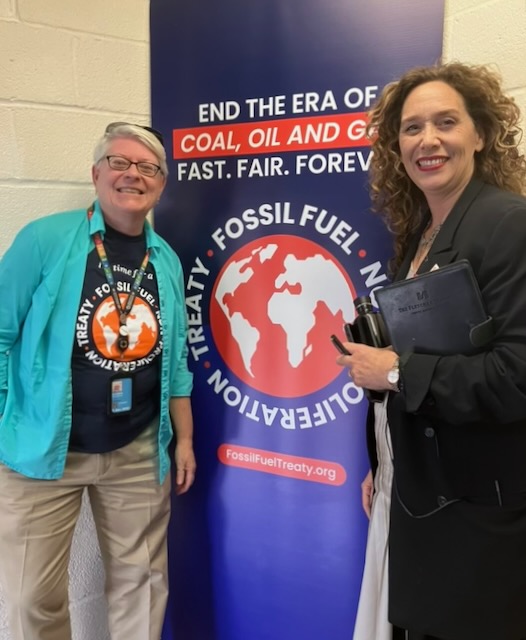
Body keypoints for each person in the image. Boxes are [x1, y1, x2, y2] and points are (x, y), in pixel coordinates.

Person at [337, 62, 526, 640]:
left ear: (481, 134)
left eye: (447, 122)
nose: (429, 140)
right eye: (412, 128)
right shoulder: (419, 233)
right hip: (416, 491)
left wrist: (392, 369)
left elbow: (514, 378)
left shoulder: (509, 225)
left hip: (477, 510)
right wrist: (385, 461)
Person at [0, 122, 196, 640]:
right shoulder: (44, 240)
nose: (134, 174)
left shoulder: (167, 260)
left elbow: (175, 362)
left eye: (148, 167)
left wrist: (185, 439)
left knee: (143, 584)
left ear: (161, 184)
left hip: (137, 451)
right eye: (120, 162)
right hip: (42, 452)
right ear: (96, 173)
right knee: (29, 598)